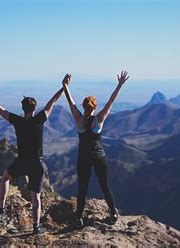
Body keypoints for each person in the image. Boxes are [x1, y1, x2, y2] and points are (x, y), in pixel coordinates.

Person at [0, 74, 71, 234]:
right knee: (35, 198)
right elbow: (53, 101)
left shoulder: (17, 121)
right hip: (37, 164)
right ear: (34, 108)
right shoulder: (39, 119)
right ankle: (36, 227)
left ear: (22, 108)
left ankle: (1, 206)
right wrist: (64, 86)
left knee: (5, 178)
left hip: (22, 162)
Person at [62, 71, 129, 228]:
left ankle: (79, 218)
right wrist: (120, 84)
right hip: (99, 157)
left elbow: (70, 102)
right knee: (105, 185)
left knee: (82, 188)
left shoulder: (79, 119)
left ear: (83, 106)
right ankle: (113, 213)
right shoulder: (99, 119)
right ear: (94, 107)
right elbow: (111, 101)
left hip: (83, 158)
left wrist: (65, 85)